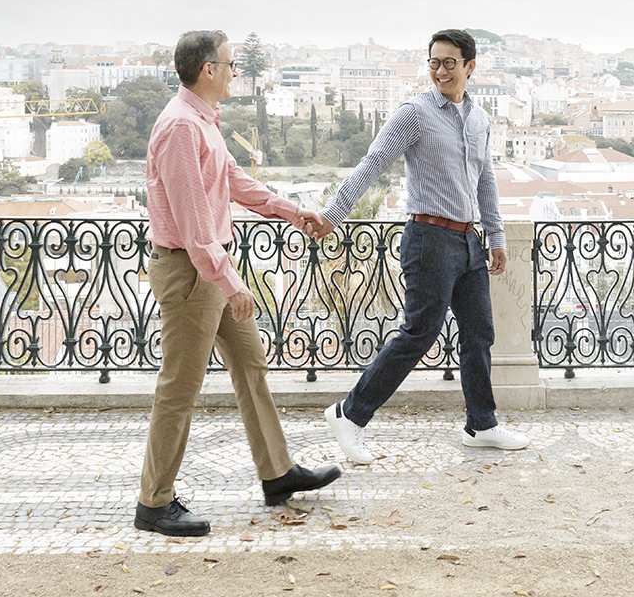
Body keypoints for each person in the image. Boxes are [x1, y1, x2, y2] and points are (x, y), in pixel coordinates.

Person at [135, 29, 341, 537]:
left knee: (250, 363)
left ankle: (277, 473)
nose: (235, 73)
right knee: (179, 387)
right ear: (208, 70)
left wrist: (292, 211)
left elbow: (232, 183)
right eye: (230, 65)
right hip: (191, 271)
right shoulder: (181, 128)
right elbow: (193, 221)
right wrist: (229, 281)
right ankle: (153, 503)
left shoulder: (203, 121)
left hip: (206, 266)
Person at [314, 28, 529, 463]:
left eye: (450, 63)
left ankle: (481, 425)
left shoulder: (479, 119)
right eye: (434, 62)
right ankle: (349, 414)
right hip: (428, 237)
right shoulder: (414, 113)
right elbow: (372, 162)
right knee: (420, 332)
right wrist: (332, 216)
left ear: (471, 66)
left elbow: (484, 181)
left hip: (469, 240)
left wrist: (497, 236)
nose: (440, 71)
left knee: (479, 334)